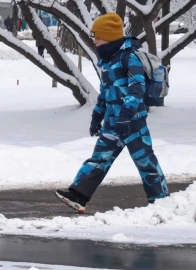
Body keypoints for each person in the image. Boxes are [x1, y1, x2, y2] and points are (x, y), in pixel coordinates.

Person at [55, 13, 169, 213]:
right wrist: (96, 116)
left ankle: (162, 202)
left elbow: (137, 89)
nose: (94, 41)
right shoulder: (108, 61)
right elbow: (105, 93)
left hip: (133, 121)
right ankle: (78, 195)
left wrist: (126, 115)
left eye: (97, 37)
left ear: (109, 37)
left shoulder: (129, 57)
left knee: (146, 162)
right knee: (100, 158)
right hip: (112, 122)